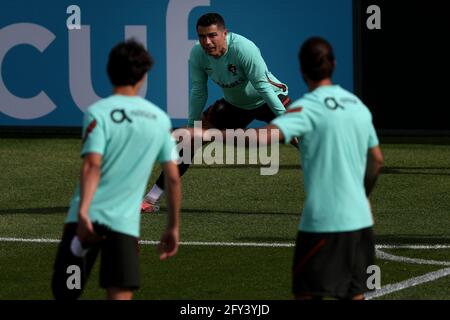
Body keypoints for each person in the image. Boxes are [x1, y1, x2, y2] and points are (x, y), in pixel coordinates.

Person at [202, 36, 383, 299]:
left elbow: (263, 139)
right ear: (333, 64)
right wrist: (362, 195)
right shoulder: (358, 107)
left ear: (301, 70)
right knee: (354, 294)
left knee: (306, 293)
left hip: (322, 222)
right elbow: (376, 159)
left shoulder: (304, 110)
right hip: (361, 221)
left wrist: (208, 136)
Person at [51, 39, 181, 300]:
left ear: (109, 71)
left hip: (84, 221)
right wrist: (173, 227)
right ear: (143, 76)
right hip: (124, 225)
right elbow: (174, 179)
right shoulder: (158, 119)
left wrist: (84, 212)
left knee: (66, 293)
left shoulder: (97, 112)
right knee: (120, 295)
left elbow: (92, 164)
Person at [141, 12, 294, 213]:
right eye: (202, 36)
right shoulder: (197, 54)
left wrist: (289, 122)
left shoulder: (244, 48)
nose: (207, 42)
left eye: (212, 35)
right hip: (235, 105)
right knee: (189, 142)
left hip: (270, 98)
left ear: (224, 33)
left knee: (308, 141)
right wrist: (192, 127)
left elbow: (263, 87)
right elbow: (198, 90)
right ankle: (151, 199)